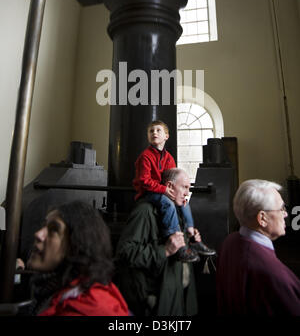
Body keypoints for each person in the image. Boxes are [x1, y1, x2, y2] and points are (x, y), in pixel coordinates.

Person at [116, 168, 201, 316]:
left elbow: (179, 251)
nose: (187, 193)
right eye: (184, 187)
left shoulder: (178, 211)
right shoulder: (145, 212)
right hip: (158, 304)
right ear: (169, 187)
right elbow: (125, 253)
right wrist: (165, 250)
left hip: (179, 301)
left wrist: (190, 241)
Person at [25, 200, 129, 316]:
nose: (38, 234)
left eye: (54, 229)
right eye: (43, 226)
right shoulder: (50, 292)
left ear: (77, 245)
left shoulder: (83, 308)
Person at [133, 120, 215, 261]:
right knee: (168, 204)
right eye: (151, 131)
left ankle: (193, 238)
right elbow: (144, 181)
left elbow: (172, 180)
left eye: (158, 130)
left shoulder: (169, 158)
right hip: (148, 193)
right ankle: (177, 242)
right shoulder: (145, 157)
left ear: (166, 136)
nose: (154, 133)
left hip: (163, 190)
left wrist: (178, 195)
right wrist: (164, 190)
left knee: (184, 203)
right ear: (148, 136)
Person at [216, 179, 300, 316]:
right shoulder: (272, 271)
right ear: (262, 218)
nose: (285, 214)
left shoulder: (229, 242)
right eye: (281, 209)